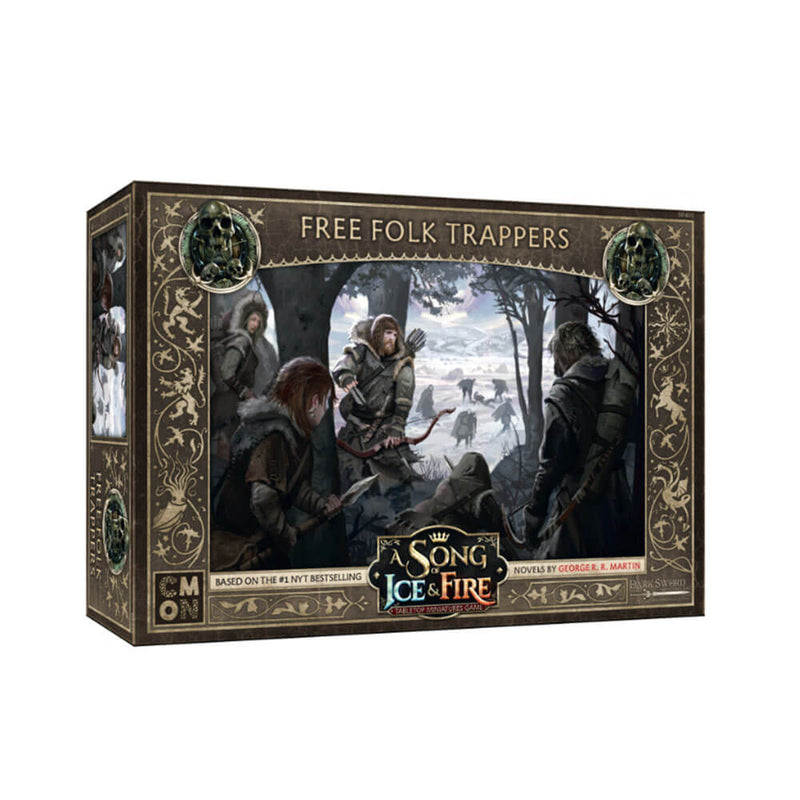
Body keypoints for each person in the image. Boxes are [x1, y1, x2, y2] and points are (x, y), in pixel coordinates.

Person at [215, 357, 341, 570]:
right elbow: (263, 498)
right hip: (240, 549)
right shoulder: (275, 436)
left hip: (255, 544)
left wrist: (321, 506)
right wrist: (284, 533)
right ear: (314, 402)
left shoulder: (291, 434)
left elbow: (292, 486)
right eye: (326, 401)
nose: (327, 408)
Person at [524, 322, 634, 559]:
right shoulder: (617, 379)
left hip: (578, 504)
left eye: (556, 356)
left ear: (564, 352)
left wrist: (533, 518)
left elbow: (550, 467)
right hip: (618, 498)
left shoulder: (563, 394)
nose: (555, 365)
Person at [332, 314, 424, 489]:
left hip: (384, 431)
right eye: (388, 333)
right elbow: (344, 365)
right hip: (356, 425)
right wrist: (345, 376)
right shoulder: (362, 352)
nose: (392, 339)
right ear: (377, 334)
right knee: (346, 473)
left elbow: (403, 400)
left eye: (395, 335)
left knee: (397, 478)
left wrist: (397, 427)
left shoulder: (402, 365)